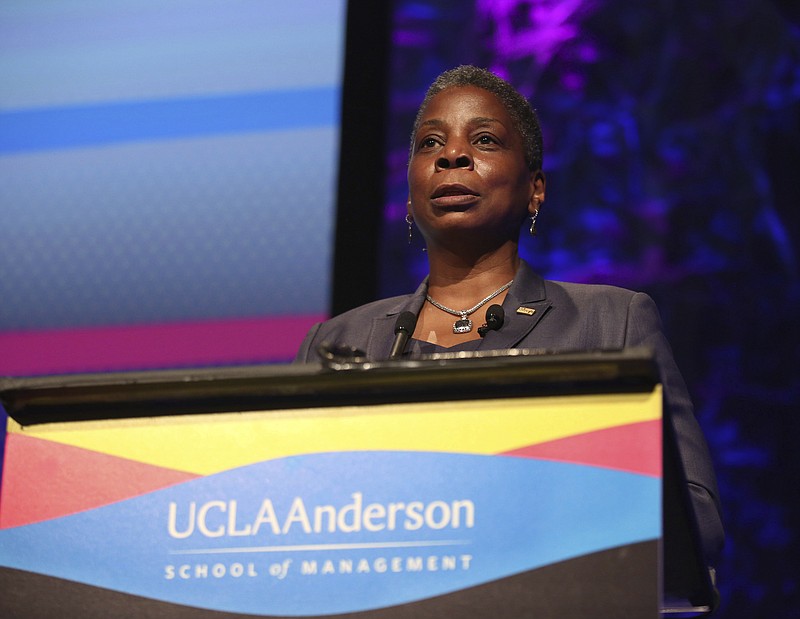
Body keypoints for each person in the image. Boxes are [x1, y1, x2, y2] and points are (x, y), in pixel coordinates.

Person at [295, 66, 723, 568]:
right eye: (430, 143)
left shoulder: (613, 323)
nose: (451, 154)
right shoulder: (339, 341)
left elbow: (698, 523)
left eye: (484, 140)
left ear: (534, 189)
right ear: (409, 195)